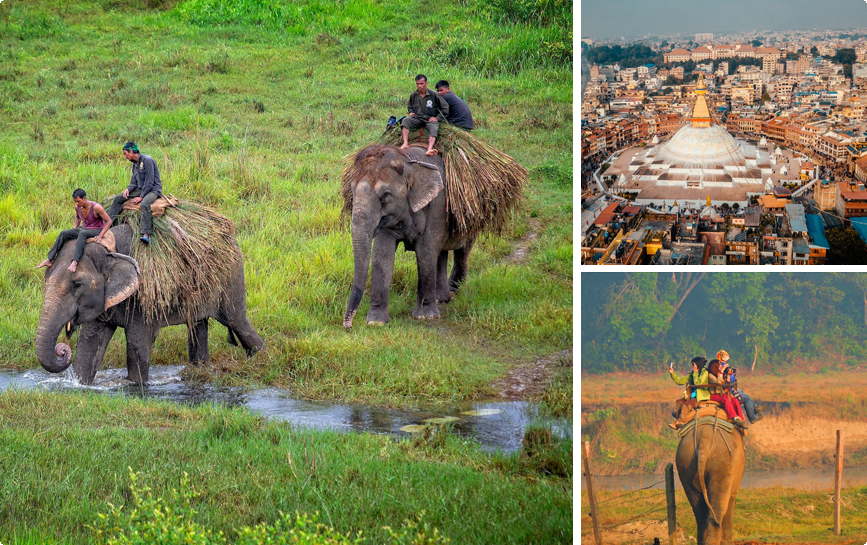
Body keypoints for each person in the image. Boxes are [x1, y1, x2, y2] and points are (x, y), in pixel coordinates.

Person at [37, 188, 112, 273]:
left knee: (83, 234)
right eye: (75, 201)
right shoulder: (77, 207)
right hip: (84, 227)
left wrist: (100, 235)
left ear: (84, 198)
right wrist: (75, 227)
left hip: (96, 229)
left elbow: (109, 221)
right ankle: (49, 259)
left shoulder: (96, 207)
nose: (76, 203)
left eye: (78, 201)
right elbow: (77, 217)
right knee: (63, 233)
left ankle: (75, 261)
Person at [107, 141, 162, 245]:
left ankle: (146, 234)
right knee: (118, 199)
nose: (125, 156)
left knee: (145, 204)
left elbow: (150, 182)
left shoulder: (147, 161)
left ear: (131, 151)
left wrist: (141, 197)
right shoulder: (135, 164)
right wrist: (128, 189)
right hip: (140, 188)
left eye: (125, 153)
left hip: (152, 189)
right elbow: (134, 181)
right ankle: (107, 223)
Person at [400, 74, 449, 156]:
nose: (419, 86)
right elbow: (410, 106)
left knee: (434, 128)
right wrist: (411, 112)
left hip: (430, 119)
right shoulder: (414, 95)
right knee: (405, 121)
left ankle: (429, 148)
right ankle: (405, 143)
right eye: (417, 84)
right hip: (418, 118)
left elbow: (445, 108)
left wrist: (437, 118)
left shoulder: (434, 95)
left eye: (421, 84)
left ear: (426, 83)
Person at [717, 349, 765, 423]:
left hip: (729, 389)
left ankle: (754, 407)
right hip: (726, 391)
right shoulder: (721, 368)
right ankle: (753, 418)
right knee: (746, 397)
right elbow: (726, 380)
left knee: (740, 391)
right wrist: (727, 372)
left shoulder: (718, 365)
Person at [668, 356, 709, 430]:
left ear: (697, 365)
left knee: (686, 405)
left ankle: (681, 421)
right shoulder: (692, 374)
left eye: (693, 364)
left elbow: (698, 384)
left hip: (701, 396)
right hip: (692, 395)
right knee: (679, 402)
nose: (692, 366)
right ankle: (680, 417)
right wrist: (672, 373)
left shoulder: (705, 373)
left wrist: (695, 373)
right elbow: (680, 381)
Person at [707, 359, 748, 428]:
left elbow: (727, 384)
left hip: (722, 394)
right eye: (719, 364)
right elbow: (718, 382)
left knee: (735, 400)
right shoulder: (710, 375)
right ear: (715, 366)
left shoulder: (720, 374)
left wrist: (728, 376)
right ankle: (734, 417)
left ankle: (741, 420)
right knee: (725, 400)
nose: (721, 366)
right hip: (713, 395)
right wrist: (722, 371)